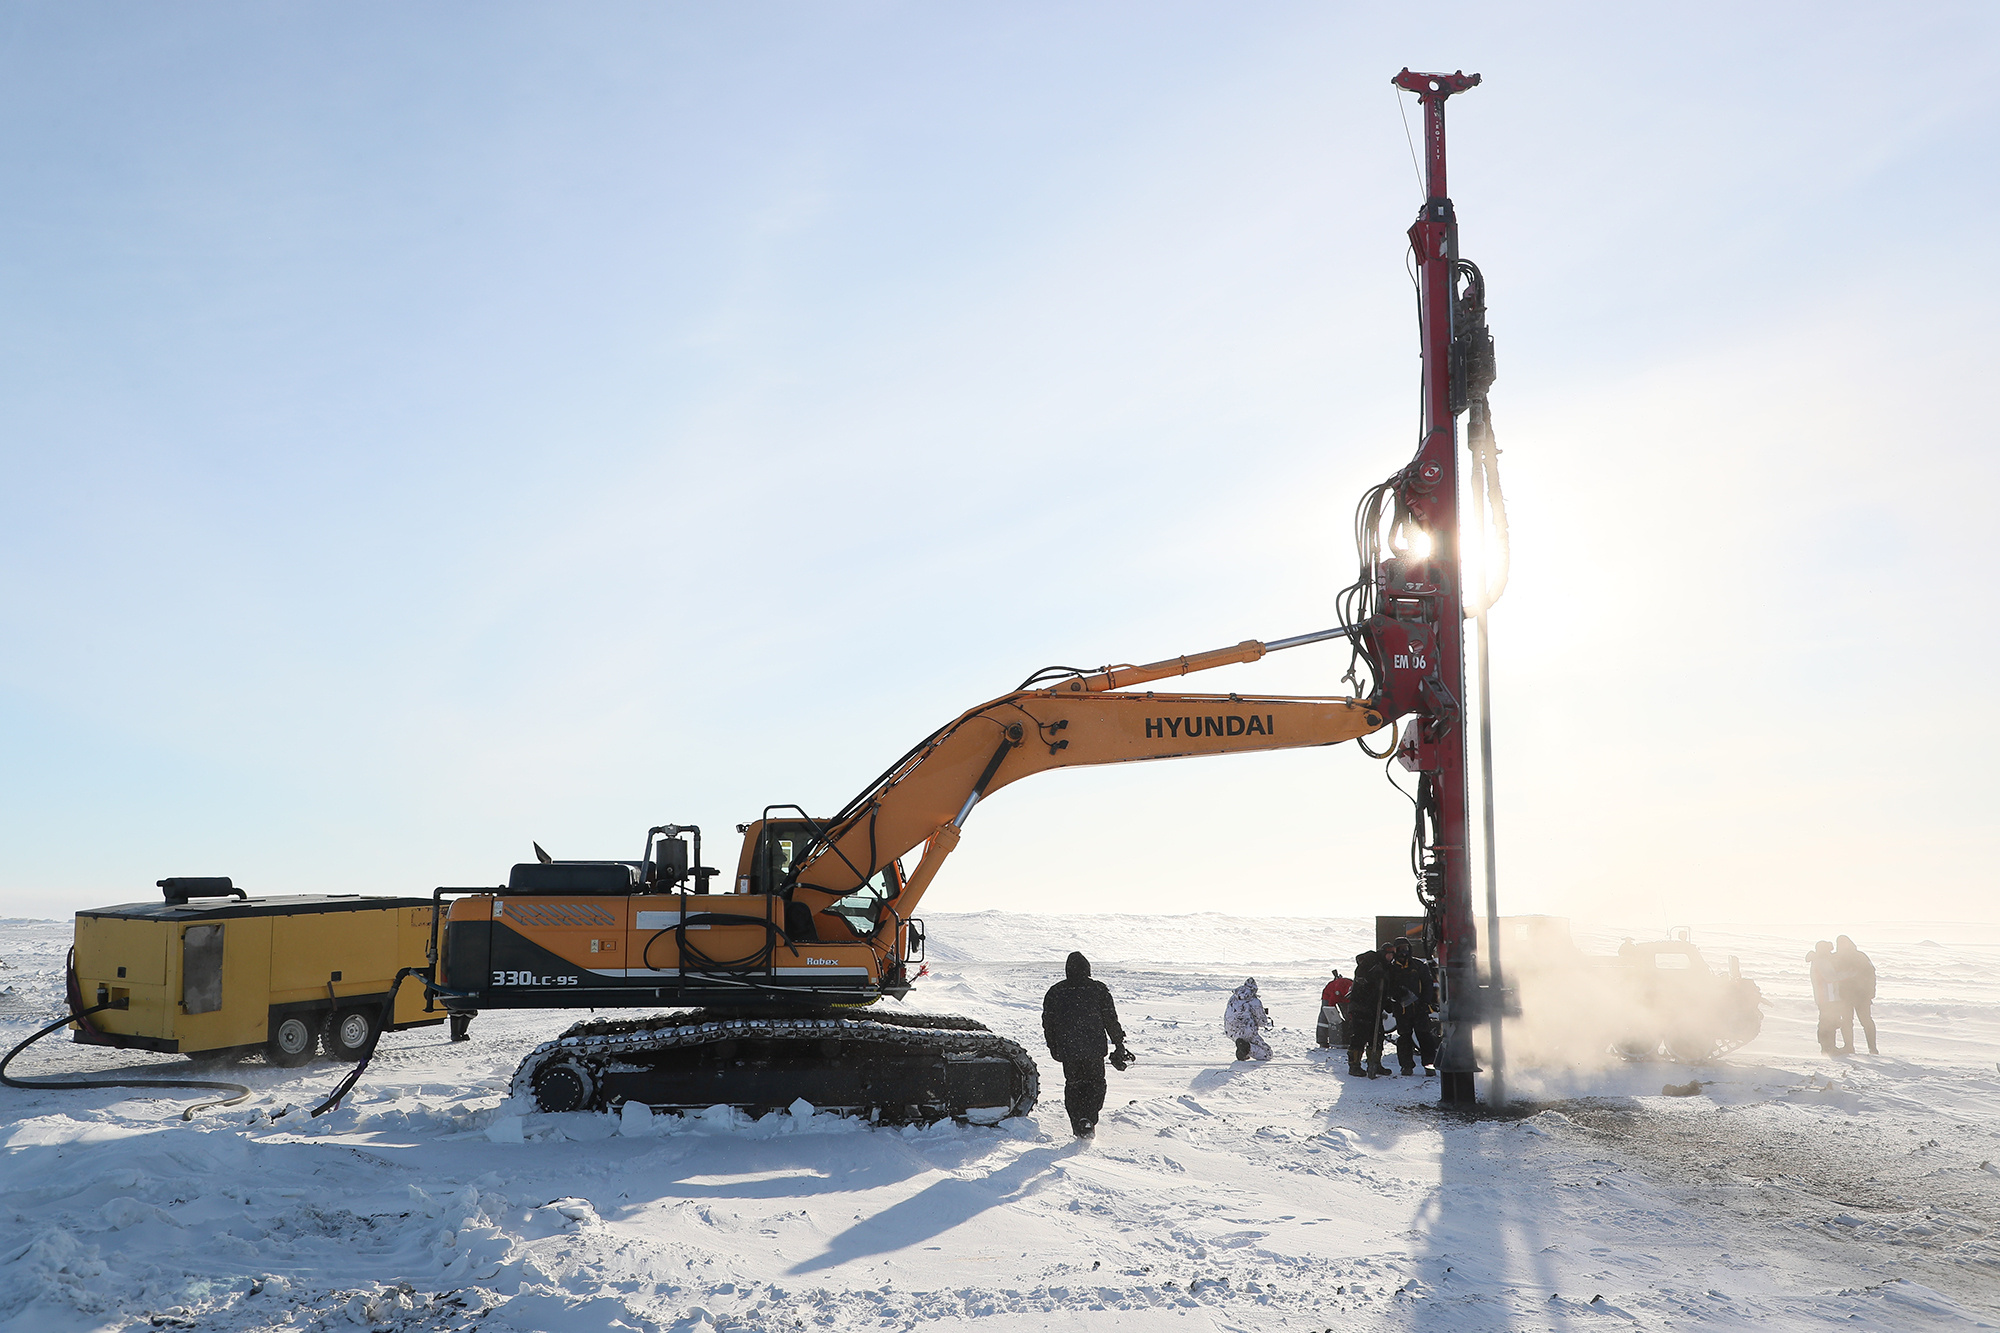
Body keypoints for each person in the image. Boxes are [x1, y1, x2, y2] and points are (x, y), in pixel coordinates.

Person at [1041, 951, 1131, 1137]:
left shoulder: (1055, 992)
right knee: (1096, 1085)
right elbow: (1110, 1018)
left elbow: (1048, 1024)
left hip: (1069, 1050)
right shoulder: (1098, 989)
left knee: (1074, 1085)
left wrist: (1054, 1047)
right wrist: (1118, 1043)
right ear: (1087, 969)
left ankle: (1078, 1123)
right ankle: (1088, 1119)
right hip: (1094, 1049)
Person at [1379, 937, 1440, 1076]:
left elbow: (1428, 985)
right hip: (1401, 1009)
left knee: (1424, 1036)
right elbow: (1387, 988)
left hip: (1419, 1008)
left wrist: (1424, 1002)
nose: (1403, 952)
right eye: (1400, 949)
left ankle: (1429, 1064)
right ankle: (1406, 1066)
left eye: (1405, 949)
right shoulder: (1391, 969)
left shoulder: (1418, 966)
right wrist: (1394, 997)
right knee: (1404, 1038)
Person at [1833, 935, 1878, 1054]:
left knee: (1858, 1021)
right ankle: (1854, 1047)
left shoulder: (1857, 957)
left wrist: (1870, 992)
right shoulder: (1858, 956)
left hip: (1858, 995)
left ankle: (1868, 1048)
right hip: (1849, 995)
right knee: (1852, 1021)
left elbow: (1870, 974)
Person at [1346, 949, 1388, 1076]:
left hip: (1374, 1008)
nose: (1391, 957)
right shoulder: (1368, 964)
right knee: (1359, 1036)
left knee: (1378, 1035)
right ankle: (1354, 1065)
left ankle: (1375, 1063)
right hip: (1361, 1007)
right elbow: (1362, 982)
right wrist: (1373, 978)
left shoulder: (1385, 967)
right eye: (1388, 953)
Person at [1808, 940, 1846, 1054]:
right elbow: (1830, 977)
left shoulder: (1819, 960)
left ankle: (1829, 1046)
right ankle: (1827, 1048)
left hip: (1826, 996)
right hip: (1827, 997)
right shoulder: (1821, 962)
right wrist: (1848, 975)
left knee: (1830, 1021)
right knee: (1827, 1022)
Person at [1224, 978, 1273, 1061]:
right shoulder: (1254, 1001)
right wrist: (1267, 1020)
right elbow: (1262, 1021)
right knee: (1268, 1054)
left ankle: (1243, 1051)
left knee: (1245, 1041)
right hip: (1246, 1031)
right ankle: (1246, 1047)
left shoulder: (1234, 997)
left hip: (1230, 1031)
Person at [1316, 968, 1352, 1049]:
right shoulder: (1338, 988)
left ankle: (1347, 1037)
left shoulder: (1355, 989)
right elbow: (1331, 1003)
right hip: (1328, 995)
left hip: (1343, 998)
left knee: (1349, 1016)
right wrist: (1334, 1016)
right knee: (1325, 1017)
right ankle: (1322, 1040)